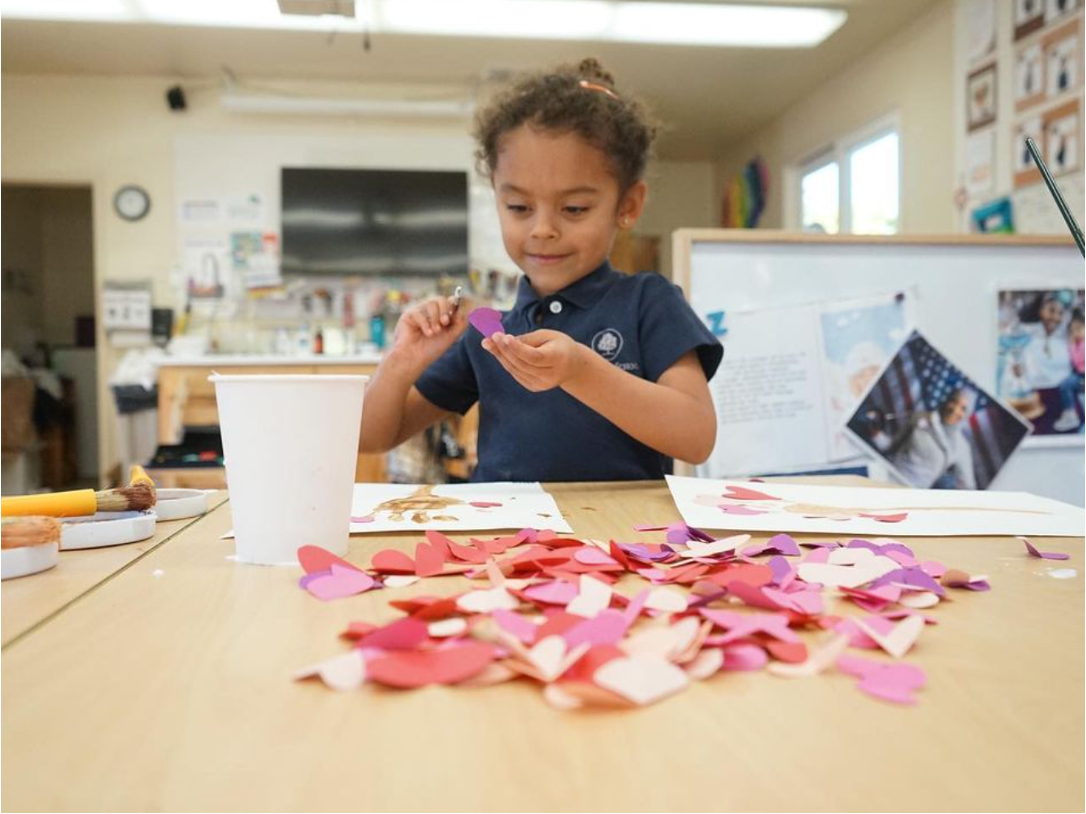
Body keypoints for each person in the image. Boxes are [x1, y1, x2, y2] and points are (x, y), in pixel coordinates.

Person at [359, 59, 723, 481]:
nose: (543, 229)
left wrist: (581, 371)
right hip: (506, 542)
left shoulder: (648, 301)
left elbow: (696, 437)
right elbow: (372, 438)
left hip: (615, 541)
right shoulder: (490, 333)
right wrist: (401, 363)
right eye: (518, 207)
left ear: (628, 206)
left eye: (574, 208)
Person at [889, 388, 976, 489]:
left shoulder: (962, 446)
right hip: (889, 477)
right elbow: (892, 446)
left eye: (963, 409)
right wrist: (876, 435)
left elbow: (968, 487)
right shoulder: (921, 417)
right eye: (954, 401)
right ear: (947, 400)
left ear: (967, 415)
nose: (955, 410)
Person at [1053, 307, 1085, 432]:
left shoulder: (1082, 344)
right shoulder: (1078, 343)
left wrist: (1071, 345)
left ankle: (1070, 413)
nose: (1076, 333)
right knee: (1065, 385)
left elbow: (1077, 361)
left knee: (1066, 385)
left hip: (1082, 375)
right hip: (1078, 374)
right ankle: (1070, 413)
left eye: (1079, 329)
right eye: (1073, 331)